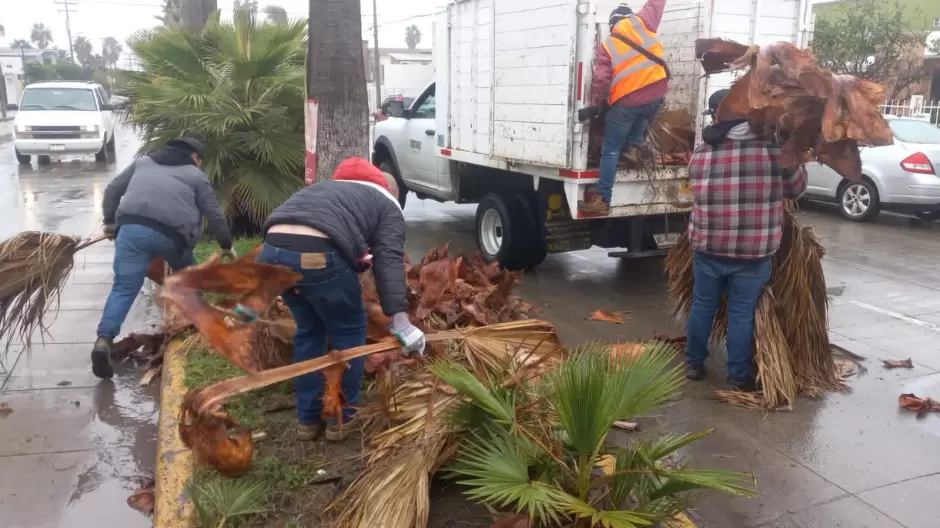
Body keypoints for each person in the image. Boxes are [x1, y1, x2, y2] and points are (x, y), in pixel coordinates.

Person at [259, 157, 426, 442]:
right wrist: (400, 320)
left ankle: (308, 419)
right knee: (349, 332)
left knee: (309, 331)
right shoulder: (385, 204)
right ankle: (342, 419)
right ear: (388, 190)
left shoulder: (328, 191)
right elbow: (388, 261)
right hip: (316, 255)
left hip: (273, 253)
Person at [684, 89, 808, 391]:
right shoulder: (774, 148)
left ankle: (694, 363)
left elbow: (694, 185)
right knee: (742, 313)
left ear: (718, 115)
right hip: (753, 253)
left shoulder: (704, 150)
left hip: (708, 245)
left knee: (702, 306)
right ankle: (738, 375)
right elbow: (797, 189)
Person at [94, 137, 233, 380]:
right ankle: (200, 327)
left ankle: (103, 340)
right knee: (189, 280)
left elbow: (113, 189)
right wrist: (226, 244)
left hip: (130, 231)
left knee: (124, 289)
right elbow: (213, 212)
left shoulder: (143, 163)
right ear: (195, 157)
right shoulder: (195, 175)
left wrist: (109, 223)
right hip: (171, 237)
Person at [579, 0, 670, 215]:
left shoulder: (608, 44)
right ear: (629, 17)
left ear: (612, 25)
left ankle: (602, 198)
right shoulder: (644, 20)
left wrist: (596, 105)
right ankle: (635, 146)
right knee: (642, 115)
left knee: (610, 149)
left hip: (628, 101)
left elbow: (602, 80)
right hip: (658, 91)